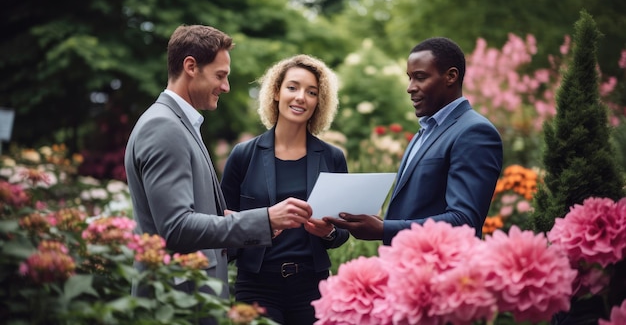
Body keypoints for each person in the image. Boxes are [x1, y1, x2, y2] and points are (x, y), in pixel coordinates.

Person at [124, 25, 314, 323]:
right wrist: (263, 219)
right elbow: (175, 228)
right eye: (220, 75)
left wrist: (231, 223)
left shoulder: (180, 124)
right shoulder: (163, 127)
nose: (226, 87)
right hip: (177, 304)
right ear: (191, 67)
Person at [325, 37, 503, 245]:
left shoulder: (474, 132)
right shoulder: (425, 131)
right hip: (408, 266)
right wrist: (382, 223)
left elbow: (464, 222)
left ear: (451, 76)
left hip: (440, 271)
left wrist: (385, 229)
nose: (410, 87)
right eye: (410, 78)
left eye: (420, 77)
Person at [220, 54, 350, 325]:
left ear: (319, 102)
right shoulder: (243, 155)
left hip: (312, 286)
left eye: (311, 92)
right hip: (256, 285)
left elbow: (342, 232)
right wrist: (259, 226)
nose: (301, 97)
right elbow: (222, 224)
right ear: (276, 92)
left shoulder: (333, 157)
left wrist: (329, 233)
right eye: (293, 87)